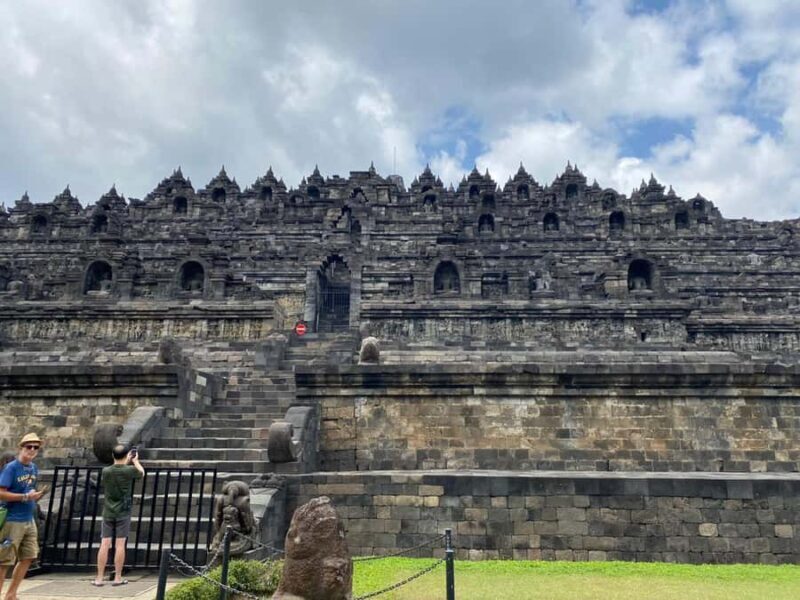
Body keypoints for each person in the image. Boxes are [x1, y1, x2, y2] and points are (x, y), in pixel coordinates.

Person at [0, 433, 44, 600]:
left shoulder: (33, 468)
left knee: (29, 556)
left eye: (36, 447)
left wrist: (34, 495)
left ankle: (12, 593)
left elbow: (28, 488)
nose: (32, 450)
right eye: (29, 447)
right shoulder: (11, 468)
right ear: (21, 448)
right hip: (13, 518)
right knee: (4, 560)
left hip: (28, 517)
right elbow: (1, 493)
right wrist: (24, 497)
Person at [93, 444, 144, 587]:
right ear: (126, 455)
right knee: (120, 545)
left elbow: (117, 468)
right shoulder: (129, 471)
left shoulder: (106, 471)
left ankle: (99, 578)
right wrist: (135, 461)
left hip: (108, 511)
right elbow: (141, 473)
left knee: (104, 544)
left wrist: (125, 461)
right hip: (123, 511)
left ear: (113, 456)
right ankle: (118, 577)